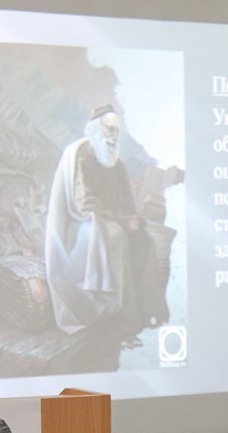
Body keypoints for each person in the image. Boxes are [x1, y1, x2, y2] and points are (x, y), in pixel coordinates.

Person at [44, 104, 164, 337]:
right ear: (95, 130)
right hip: (80, 224)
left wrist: (132, 219)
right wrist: (123, 221)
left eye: (117, 131)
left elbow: (124, 199)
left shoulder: (115, 162)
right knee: (116, 237)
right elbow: (84, 203)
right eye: (110, 129)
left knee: (144, 239)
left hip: (111, 220)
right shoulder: (82, 156)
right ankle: (118, 314)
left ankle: (147, 311)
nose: (114, 135)